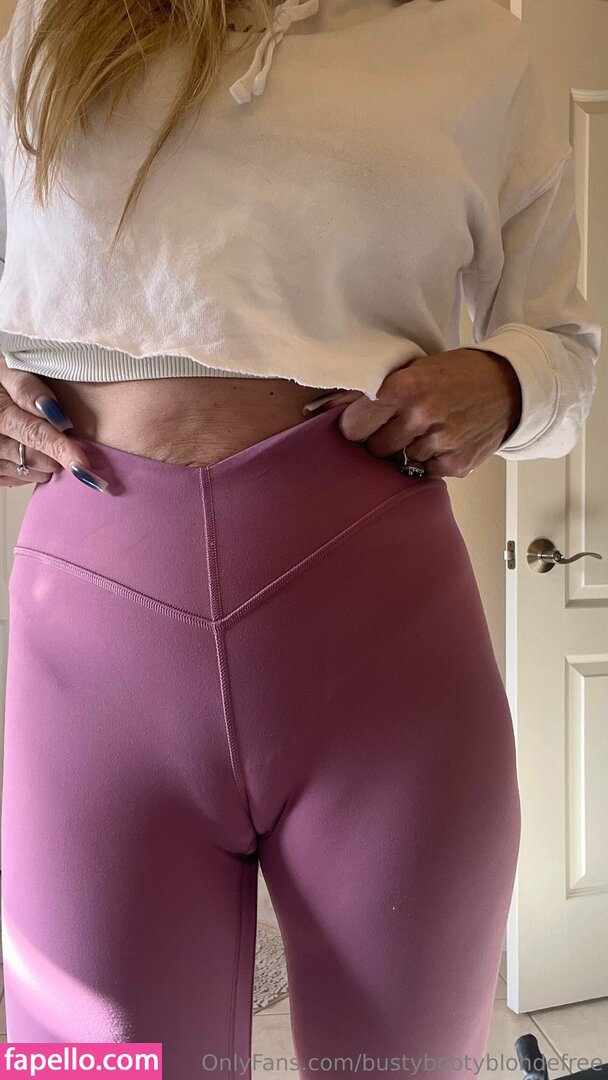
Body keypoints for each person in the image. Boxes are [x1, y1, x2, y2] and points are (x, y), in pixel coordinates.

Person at [0, 0, 600, 1076]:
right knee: (90, 1067)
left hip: (382, 640)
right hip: (92, 650)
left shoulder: (476, 43)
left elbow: (565, 344)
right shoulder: (51, 26)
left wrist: (508, 382)